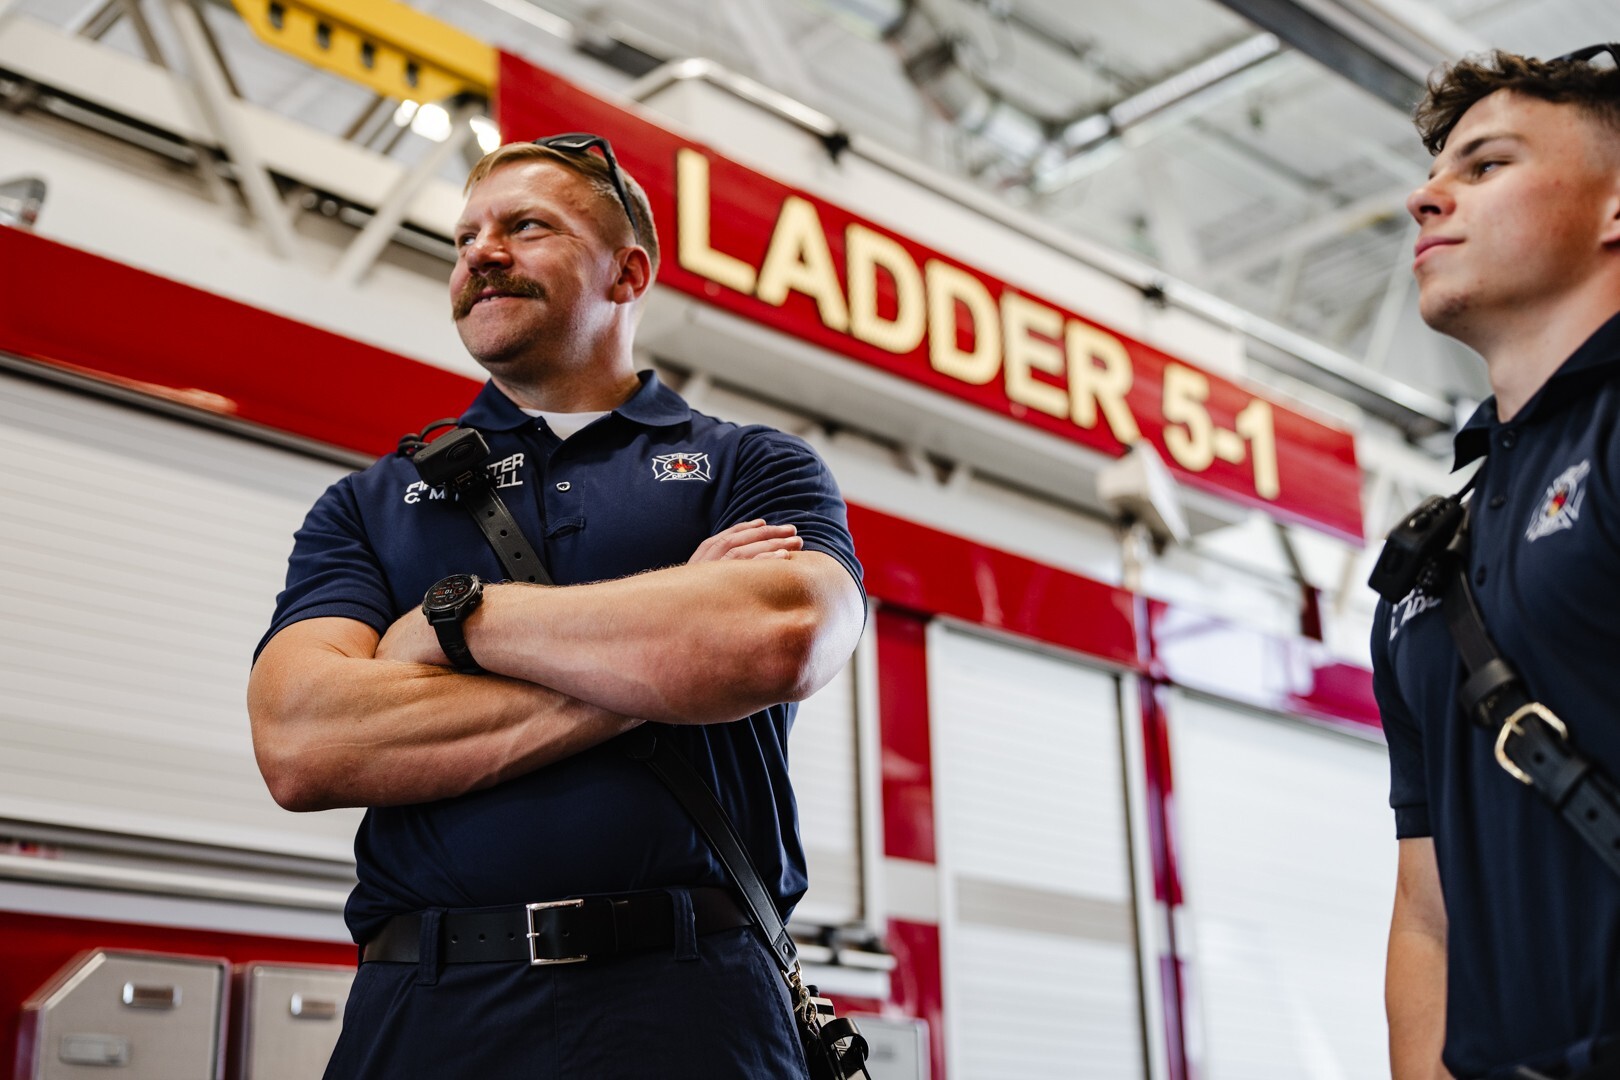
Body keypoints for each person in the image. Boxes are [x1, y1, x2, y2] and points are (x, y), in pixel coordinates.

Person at [247, 134, 866, 1078]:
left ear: (627, 274)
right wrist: (674, 663)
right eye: (465, 238)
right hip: (430, 1007)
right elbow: (302, 741)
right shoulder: (368, 504)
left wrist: (456, 623)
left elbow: (782, 637)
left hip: (694, 1004)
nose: (480, 253)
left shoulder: (755, 466)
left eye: (525, 227)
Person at [1373, 46, 1620, 1080]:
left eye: (1487, 166)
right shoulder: (1426, 570)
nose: (1428, 197)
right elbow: (1425, 911)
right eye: (1438, 172)